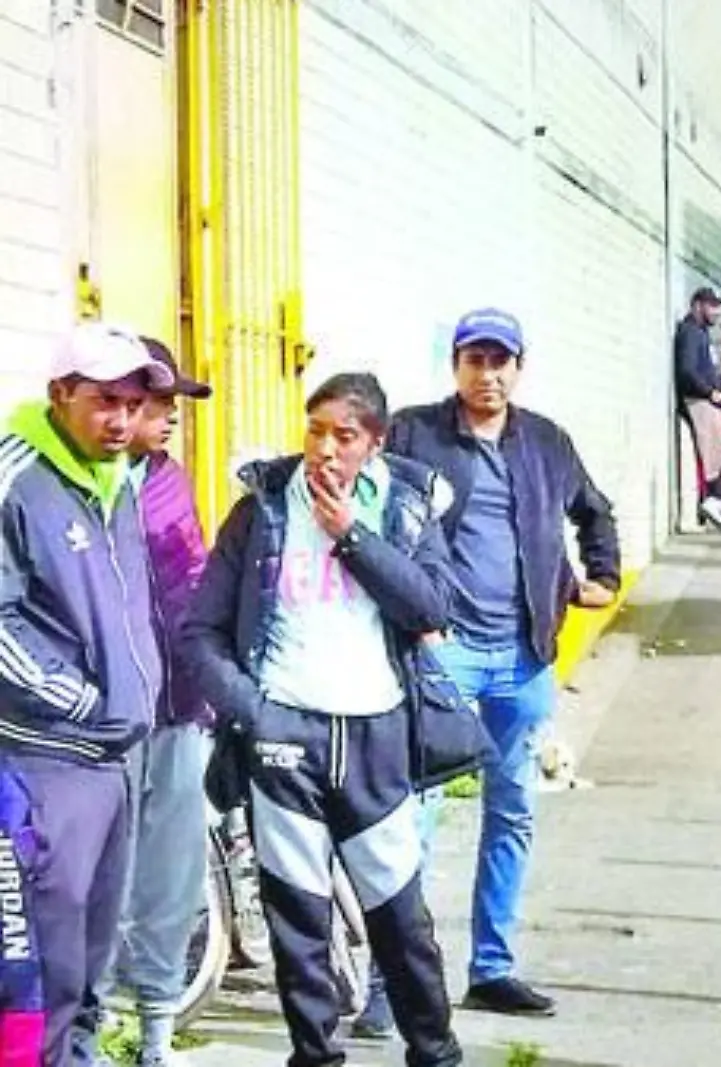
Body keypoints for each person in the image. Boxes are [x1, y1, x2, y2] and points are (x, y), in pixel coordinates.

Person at [181, 373, 462, 1067]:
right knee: (298, 919)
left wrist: (351, 536)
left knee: (401, 917)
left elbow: (432, 607)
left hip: (376, 735)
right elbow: (200, 632)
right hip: (287, 736)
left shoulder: (406, 509)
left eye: (345, 435)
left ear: (376, 443)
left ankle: (435, 1051)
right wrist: (257, 713)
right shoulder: (263, 510)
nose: (326, 449)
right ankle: (314, 1056)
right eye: (316, 430)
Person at [371, 307, 619, 1027]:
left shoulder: (545, 441)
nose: (489, 373)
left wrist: (600, 575)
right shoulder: (415, 433)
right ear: (456, 365)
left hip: (523, 657)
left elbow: (593, 512)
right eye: (476, 360)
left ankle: (493, 966)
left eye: (501, 360)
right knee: (413, 813)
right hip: (440, 650)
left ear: (519, 366)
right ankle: (394, 983)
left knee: (511, 808)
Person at [0, 323, 169, 1066]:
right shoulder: (18, 479)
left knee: (92, 954)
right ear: (60, 393)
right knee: (40, 962)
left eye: (134, 404)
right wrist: (82, 699)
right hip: (41, 763)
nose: (122, 421)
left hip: (112, 759)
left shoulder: (116, 480)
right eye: (106, 402)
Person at [108, 339, 215, 1067]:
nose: (171, 416)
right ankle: (87, 1027)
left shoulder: (170, 478)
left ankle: (154, 1031)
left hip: (182, 707)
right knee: (93, 875)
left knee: (170, 875)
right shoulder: (69, 486)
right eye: (159, 403)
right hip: (103, 719)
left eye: (175, 403)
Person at [675, 286, 721, 532]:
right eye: (712, 306)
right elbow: (686, 370)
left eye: (718, 306)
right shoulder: (691, 332)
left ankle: (719, 503)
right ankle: (715, 501)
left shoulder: (702, 333)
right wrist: (709, 392)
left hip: (708, 402)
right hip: (699, 402)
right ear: (697, 305)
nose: (717, 312)